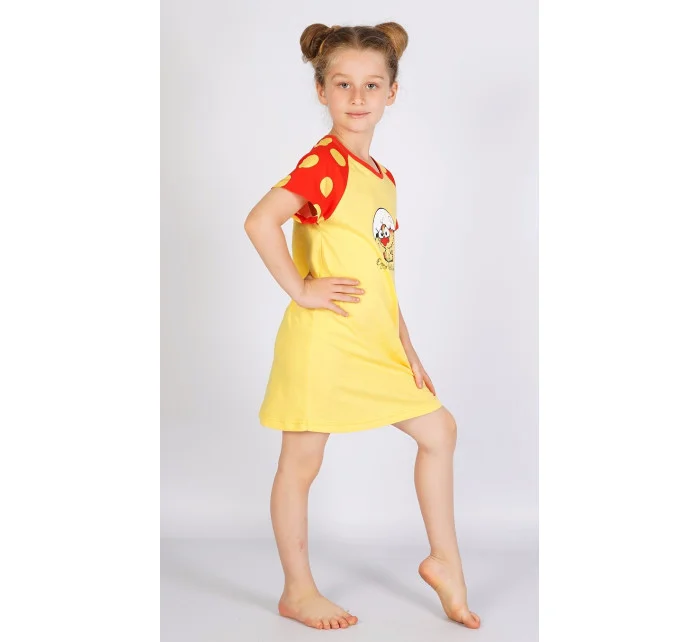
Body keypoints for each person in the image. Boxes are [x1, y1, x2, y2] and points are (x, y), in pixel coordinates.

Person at [244, 22, 481, 632]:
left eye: (371, 85)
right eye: (342, 84)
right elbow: (260, 221)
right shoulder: (323, 163)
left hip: (373, 343)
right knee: (301, 464)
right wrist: (301, 289)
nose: (357, 97)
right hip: (325, 343)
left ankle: (445, 562)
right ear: (321, 90)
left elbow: (380, 271)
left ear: (391, 93)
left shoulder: (380, 175)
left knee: (439, 430)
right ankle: (298, 590)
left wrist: (407, 347)